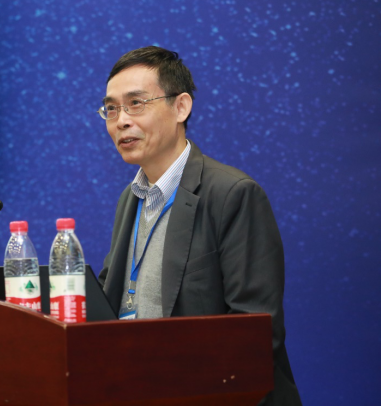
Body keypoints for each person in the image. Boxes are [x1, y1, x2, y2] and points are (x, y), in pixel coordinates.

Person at [97, 46, 301, 405]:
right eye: (111, 109)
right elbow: (111, 298)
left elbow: (255, 330)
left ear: (181, 107)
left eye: (136, 104)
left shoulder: (232, 194)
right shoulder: (130, 198)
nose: (121, 121)